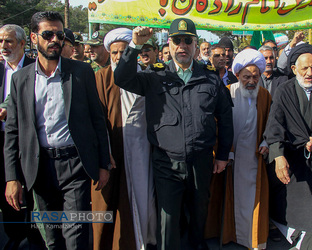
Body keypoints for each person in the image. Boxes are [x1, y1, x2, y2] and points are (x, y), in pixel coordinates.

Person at [114, 18, 233, 250]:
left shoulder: (210, 77)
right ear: (169, 44)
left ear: (195, 44)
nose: (182, 46)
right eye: (177, 40)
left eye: (187, 40)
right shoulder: (155, 75)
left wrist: (222, 155)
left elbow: (225, 118)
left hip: (201, 160)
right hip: (166, 162)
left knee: (199, 213)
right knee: (168, 219)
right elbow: (122, 79)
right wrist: (135, 45)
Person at [4, 11, 111, 250]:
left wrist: (104, 163)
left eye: (59, 34)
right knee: (52, 239)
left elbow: (97, 120)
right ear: (34, 38)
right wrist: (12, 177)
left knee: (76, 236)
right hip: (39, 168)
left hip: (75, 165)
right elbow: (12, 132)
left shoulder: (81, 72)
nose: (55, 39)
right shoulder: (20, 79)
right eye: (48, 34)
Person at [264, 43, 312, 249]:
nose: (309, 73)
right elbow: (275, 126)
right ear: (294, 69)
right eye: (304, 68)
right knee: (288, 208)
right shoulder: (284, 91)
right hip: (293, 162)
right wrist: (278, 156)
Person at [93, 27, 157, 250]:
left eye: (124, 52)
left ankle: (144, 240)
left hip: (143, 151)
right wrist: (104, 151)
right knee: (110, 203)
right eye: (114, 53)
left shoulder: (147, 74)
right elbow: (96, 118)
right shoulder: (100, 77)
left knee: (144, 196)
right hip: (113, 152)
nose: (119, 57)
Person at [205, 49, 271, 249]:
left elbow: (272, 124)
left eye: (255, 76)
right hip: (230, 159)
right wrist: (226, 152)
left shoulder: (265, 95)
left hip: (254, 159)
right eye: (246, 77)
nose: (251, 81)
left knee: (252, 199)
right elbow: (217, 125)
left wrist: (266, 142)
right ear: (237, 75)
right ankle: (228, 235)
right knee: (227, 197)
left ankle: (249, 238)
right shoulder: (227, 92)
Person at [0, 24, 40, 249]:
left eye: (9, 41)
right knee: (7, 193)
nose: (4, 46)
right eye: (1, 42)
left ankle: (35, 238)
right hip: (3, 142)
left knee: (33, 193)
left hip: (30, 143)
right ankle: (14, 237)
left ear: (23, 44)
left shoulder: (36, 69)